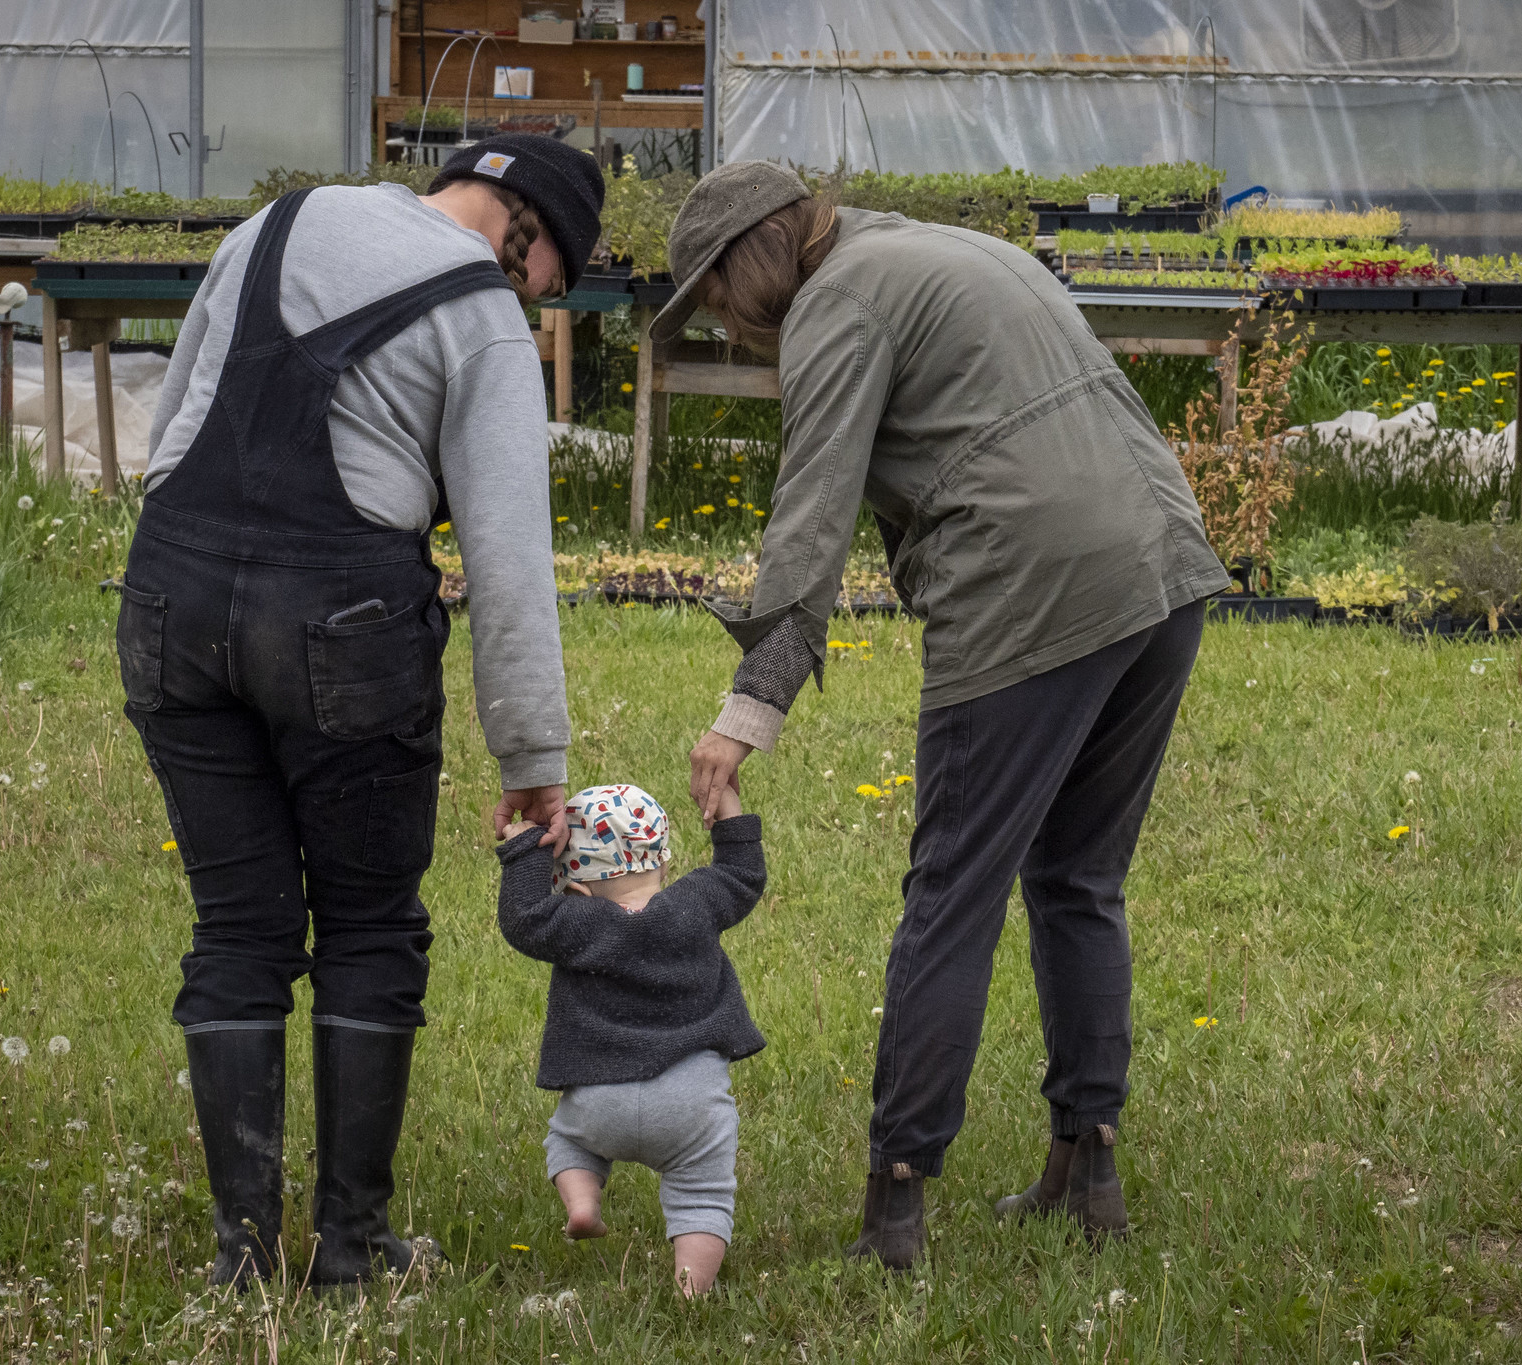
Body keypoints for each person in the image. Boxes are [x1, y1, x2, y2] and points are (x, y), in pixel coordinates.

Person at [655, 162, 1231, 1269]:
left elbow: (808, 518)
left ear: (749, 262)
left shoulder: (839, 302)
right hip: (1162, 564)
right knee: (1077, 880)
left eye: (715, 301)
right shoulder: (948, 249)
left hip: (1035, 578)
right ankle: (1088, 1167)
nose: (726, 329)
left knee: (950, 896)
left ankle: (895, 1208)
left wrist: (748, 709)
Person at [117, 135, 601, 1287]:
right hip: (340, 625)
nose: (537, 305)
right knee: (370, 929)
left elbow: (170, 429)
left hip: (169, 599)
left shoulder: (278, 221)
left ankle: (242, 1256)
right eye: (550, 284)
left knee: (237, 929)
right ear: (521, 232)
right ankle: (352, 1248)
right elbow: (508, 556)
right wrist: (533, 755)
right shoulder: (481, 312)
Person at [496, 782, 766, 1297]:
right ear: (664, 865)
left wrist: (525, 846)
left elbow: (523, 918)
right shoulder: (696, 904)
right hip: (690, 1104)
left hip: (598, 1104)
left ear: (572, 887)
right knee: (702, 1194)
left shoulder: (573, 923)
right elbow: (742, 875)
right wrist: (730, 816)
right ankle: (691, 1293)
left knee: (569, 1140)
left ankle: (582, 1204)